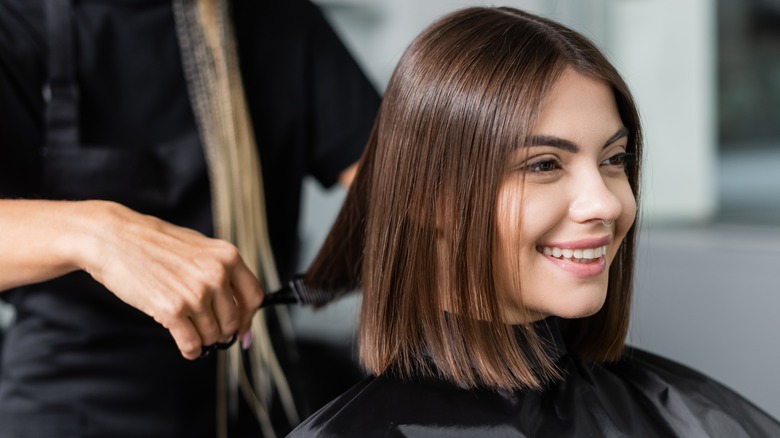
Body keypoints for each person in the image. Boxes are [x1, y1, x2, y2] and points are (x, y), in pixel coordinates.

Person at [290, 6, 780, 437]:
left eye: (613, 159)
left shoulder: (700, 420)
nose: (606, 205)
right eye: (544, 164)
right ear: (426, 199)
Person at [0, 0, 379, 437]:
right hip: (72, 407)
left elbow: (409, 196)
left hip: (253, 402)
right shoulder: (19, 23)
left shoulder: (278, 19)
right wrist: (97, 233)